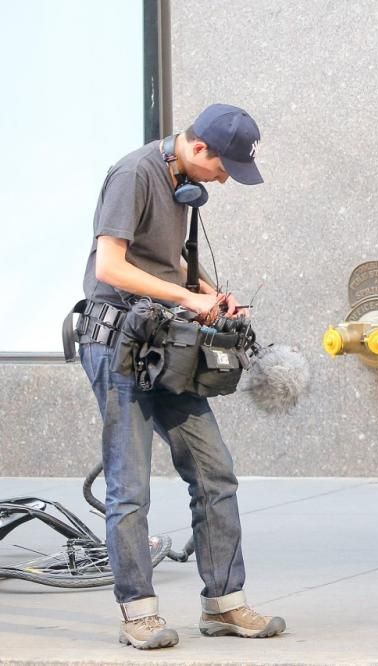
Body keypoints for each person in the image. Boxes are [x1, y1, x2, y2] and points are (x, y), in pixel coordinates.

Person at [76, 104, 285, 649]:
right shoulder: (134, 174)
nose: (224, 180)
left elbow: (166, 263)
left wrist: (212, 294)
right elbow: (110, 267)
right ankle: (138, 613)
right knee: (130, 487)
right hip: (118, 344)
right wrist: (188, 299)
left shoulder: (182, 183)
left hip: (165, 346)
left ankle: (224, 604)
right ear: (198, 148)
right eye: (223, 169)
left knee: (216, 473)